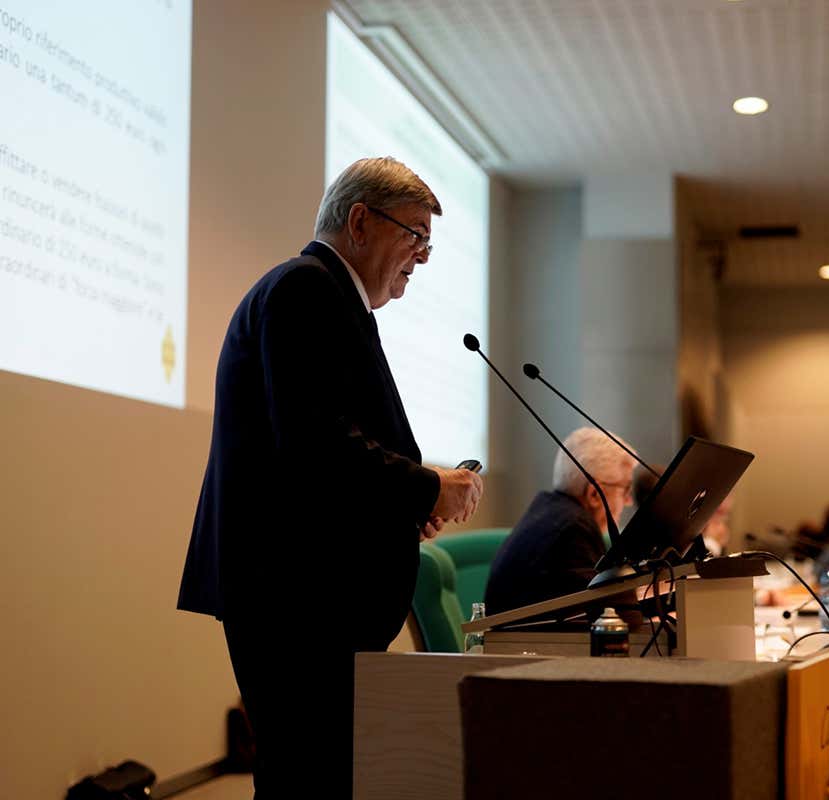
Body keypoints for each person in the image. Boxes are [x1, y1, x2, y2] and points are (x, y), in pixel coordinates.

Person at [176, 157, 484, 798]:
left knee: (319, 775)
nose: (423, 258)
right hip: (295, 597)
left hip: (307, 595)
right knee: (307, 777)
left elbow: (328, 451)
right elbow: (314, 445)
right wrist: (427, 487)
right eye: (416, 235)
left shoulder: (327, 296)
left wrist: (402, 505)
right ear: (361, 221)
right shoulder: (304, 289)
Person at [484, 427, 636, 613]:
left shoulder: (553, 513)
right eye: (625, 489)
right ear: (594, 495)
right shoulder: (572, 529)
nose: (628, 501)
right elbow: (615, 612)